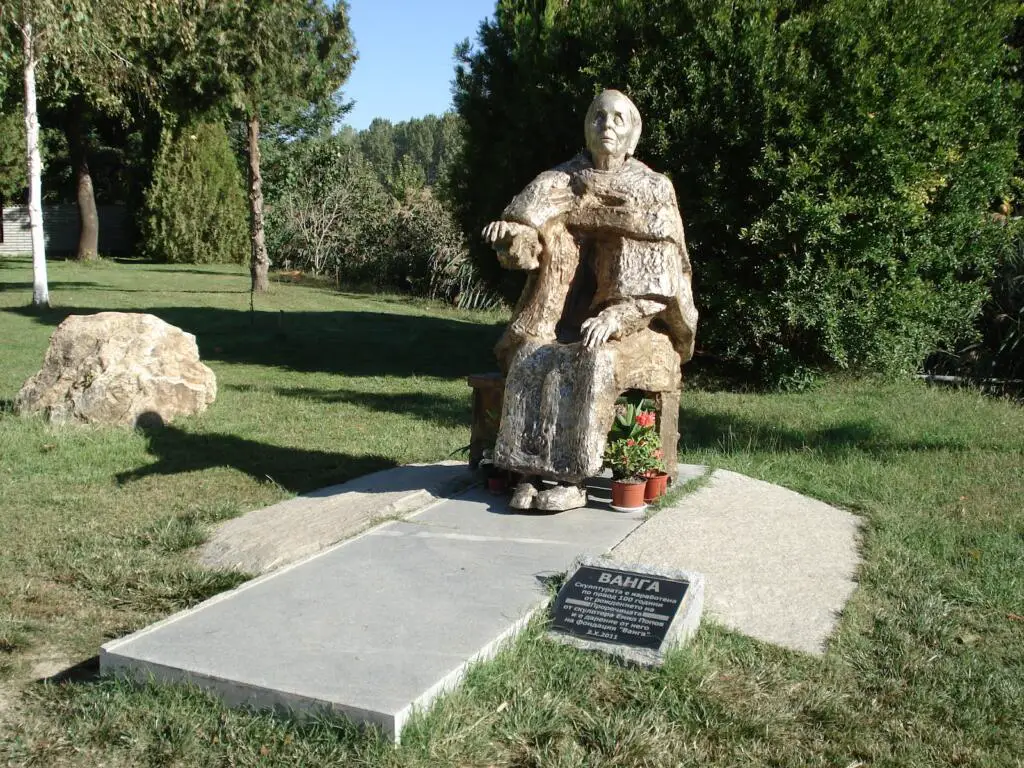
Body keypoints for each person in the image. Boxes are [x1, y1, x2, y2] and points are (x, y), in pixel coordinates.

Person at [482, 89, 697, 511]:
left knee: (595, 360)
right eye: (598, 117)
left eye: (619, 119)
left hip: (641, 323)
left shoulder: (652, 190)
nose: (607, 126)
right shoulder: (563, 180)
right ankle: (527, 472)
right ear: (586, 128)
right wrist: (512, 236)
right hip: (568, 317)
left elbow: (662, 276)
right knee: (531, 353)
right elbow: (525, 238)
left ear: (634, 137)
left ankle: (573, 479)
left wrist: (618, 317)